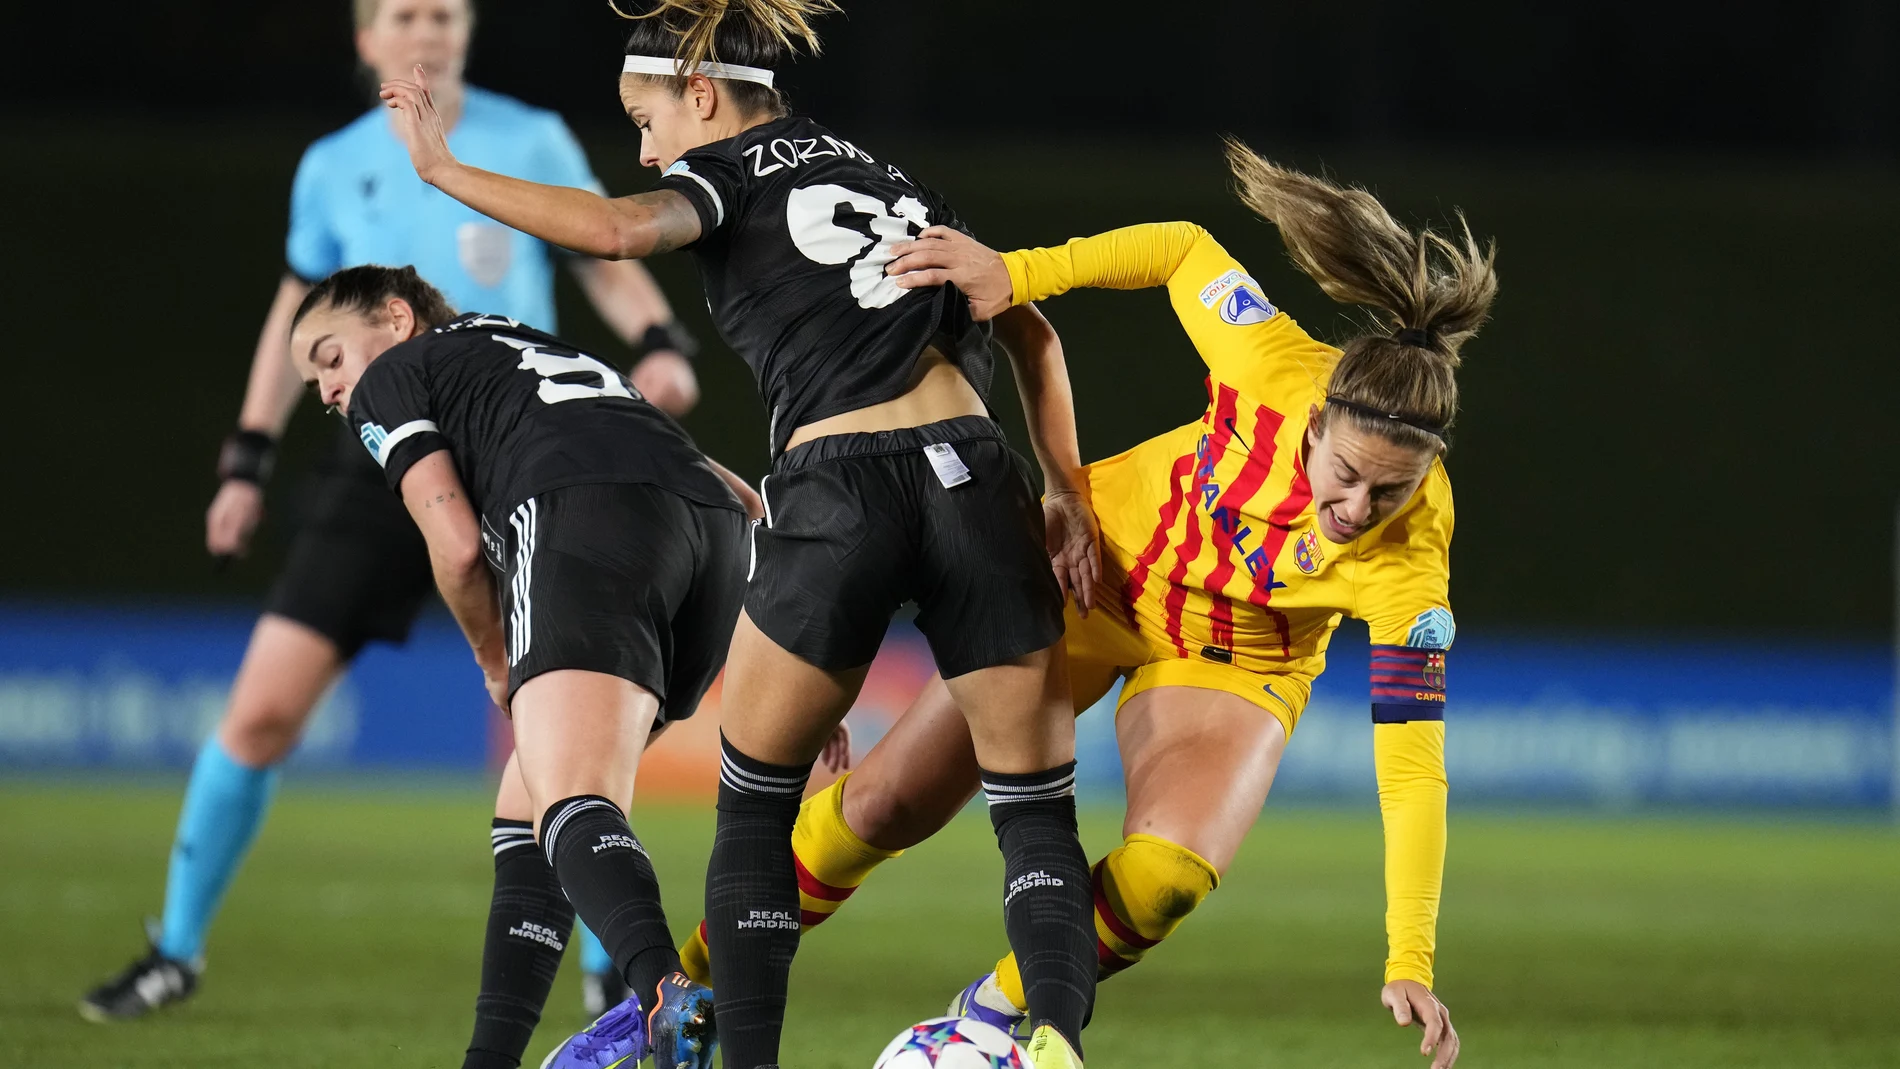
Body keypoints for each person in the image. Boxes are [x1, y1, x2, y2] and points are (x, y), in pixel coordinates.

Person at [376, 3, 1105, 1067]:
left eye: (645, 117)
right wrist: (1065, 493)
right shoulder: (893, 183)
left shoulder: (736, 168)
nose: (644, 146)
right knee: (1036, 814)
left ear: (702, 96)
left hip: (842, 486)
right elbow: (1030, 323)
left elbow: (619, 228)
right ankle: (1055, 1045)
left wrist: (442, 170)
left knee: (757, 811)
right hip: (976, 476)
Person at [676, 141, 1494, 1069]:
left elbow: (1413, 768)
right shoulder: (1271, 364)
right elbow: (1184, 247)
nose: (1356, 512)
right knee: (884, 804)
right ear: (1318, 421)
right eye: (1346, 475)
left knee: (1169, 877)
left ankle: (982, 1023)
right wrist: (1015, 274)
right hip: (1098, 575)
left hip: (1239, 658)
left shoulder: (1413, 566)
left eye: (1390, 493)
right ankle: (681, 990)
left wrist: (1410, 954)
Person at [77, 0, 701, 1025]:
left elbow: (595, 252)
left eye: (445, 12)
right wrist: (247, 457)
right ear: (364, 40)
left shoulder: (528, 138)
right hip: (373, 462)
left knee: (567, 730)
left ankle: (610, 972)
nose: (428, 28)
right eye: (404, 12)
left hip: (516, 464)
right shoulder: (332, 163)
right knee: (263, 710)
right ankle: (173, 951)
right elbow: (299, 314)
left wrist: (663, 339)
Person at [295, 264, 753, 1069]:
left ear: (397, 318)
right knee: (531, 801)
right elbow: (740, 496)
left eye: (329, 357)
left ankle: (664, 996)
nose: (329, 390)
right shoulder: (518, 345)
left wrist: (494, 661)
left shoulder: (395, 377)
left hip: (585, 514)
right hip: (715, 534)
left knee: (569, 795)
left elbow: (460, 544)